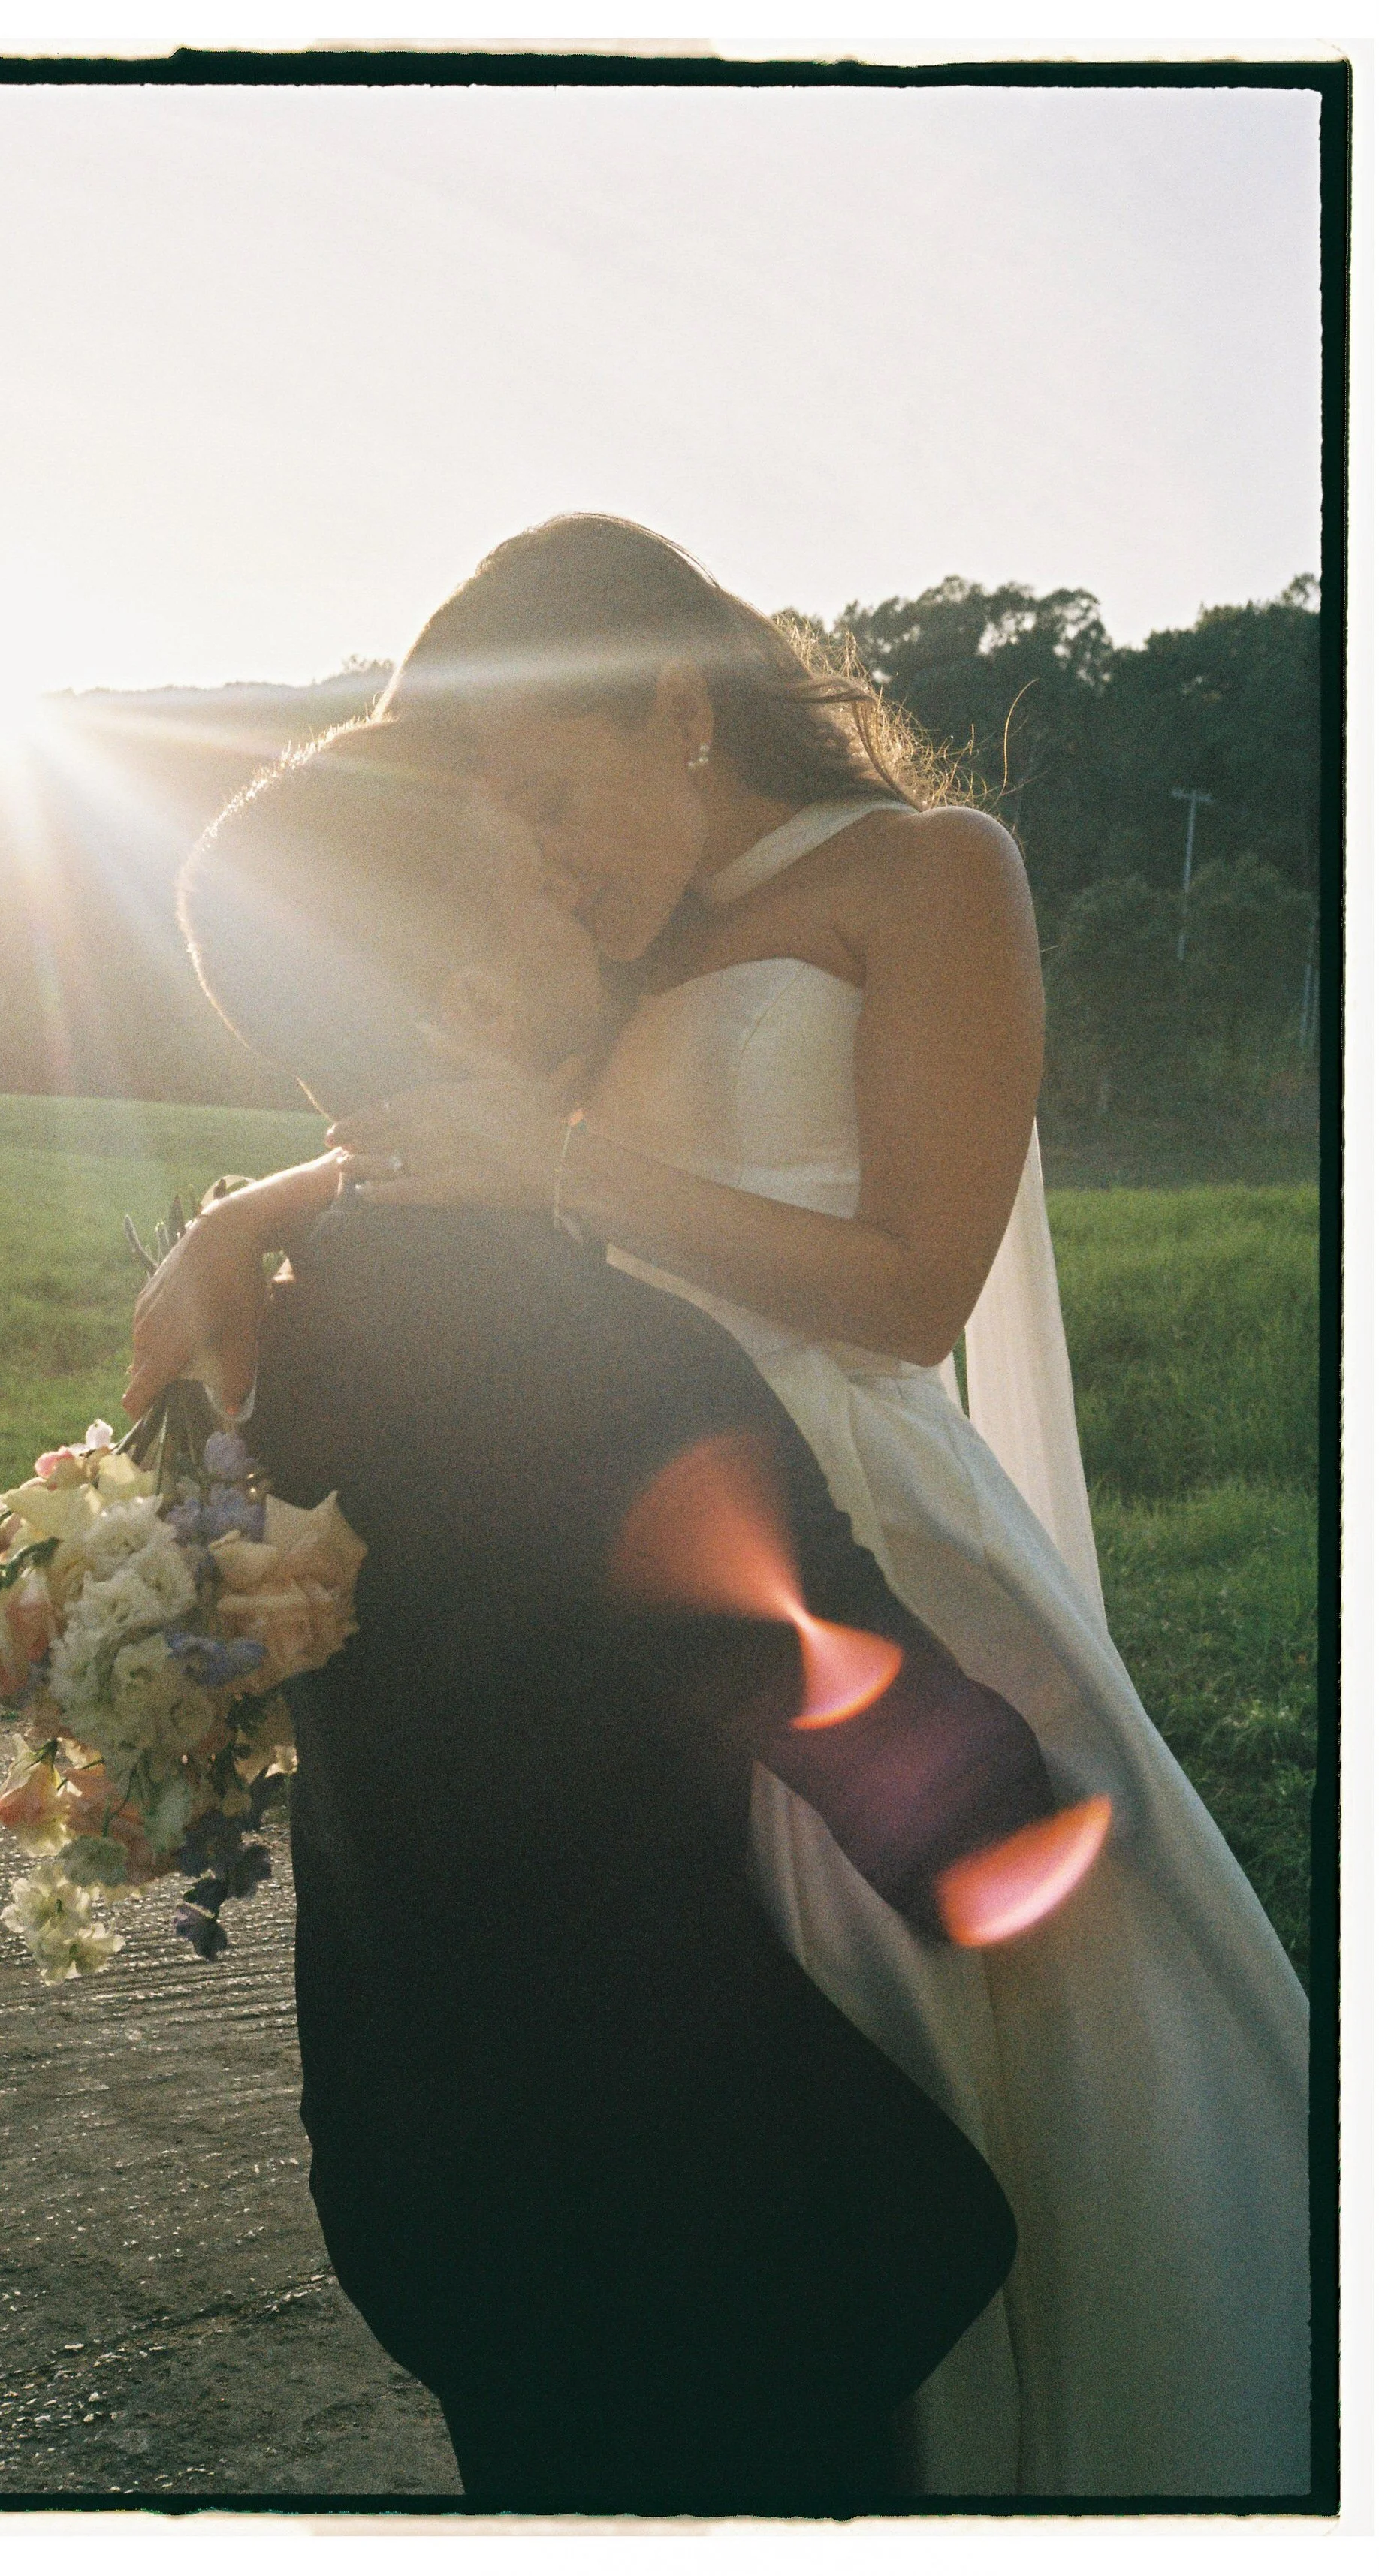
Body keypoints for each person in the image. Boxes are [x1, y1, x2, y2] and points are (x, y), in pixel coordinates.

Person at [296, 514, 1310, 2499]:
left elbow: (915, 1282)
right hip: (648, 1540)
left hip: (863, 1522)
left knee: (993, 2025)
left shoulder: (927, 871)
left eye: (556, 794)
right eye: (502, 819)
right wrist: (224, 1237)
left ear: (680, 706)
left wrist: (568, 1168)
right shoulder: (615, 936)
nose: (547, 855)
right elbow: (437, 1127)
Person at [138, 728, 1046, 2513]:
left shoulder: (266, 1343)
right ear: (477, 996)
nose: (594, 914)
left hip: (418, 2176)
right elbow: (945, 1816)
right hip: (681, 2230)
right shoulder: (620, 1358)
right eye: (544, 891)